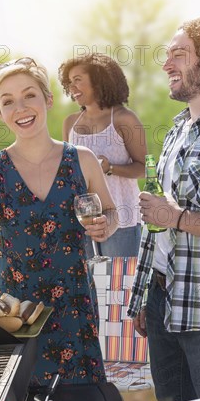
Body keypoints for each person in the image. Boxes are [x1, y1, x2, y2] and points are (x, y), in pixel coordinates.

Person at [0, 57, 118, 386]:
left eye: (29, 95)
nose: (20, 107)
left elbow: (111, 211)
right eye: (7, 102)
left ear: (48, 100)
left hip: (74, 307)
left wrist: (107, 224)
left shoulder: (83, 160)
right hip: (15, 314)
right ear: (0, 112)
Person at [127, 17, 200, 401]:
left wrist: (177, 217)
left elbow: (171, 216)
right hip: (161, 302)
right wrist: (144, 296)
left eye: (179, 55)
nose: (167, 64)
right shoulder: (178, 129)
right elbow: (158, 220)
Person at [58, 53, 146, 258]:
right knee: (88, 288)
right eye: (69, 83)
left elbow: (143, 168)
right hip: (82, 223)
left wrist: (111, 168)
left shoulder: (125, 119)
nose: (72, 88)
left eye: (78, 80)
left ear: (98, 80)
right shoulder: (70, 122)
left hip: (122, 220)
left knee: (120, 288)